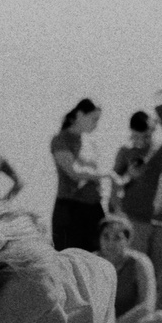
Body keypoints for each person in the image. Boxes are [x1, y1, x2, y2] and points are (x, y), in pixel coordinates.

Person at [110, 111, 162, 275]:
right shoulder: (126, 151)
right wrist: (116, 213)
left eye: (147, 135)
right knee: (134, 271)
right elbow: (115, 182)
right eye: (138, 135)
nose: (143, 140)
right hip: (135, 219)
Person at [50, 98, 121, 252]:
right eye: (93, 119)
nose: (96, 124)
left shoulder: (90, 142)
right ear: (80, 114)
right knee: (70, 258)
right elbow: (74, 172)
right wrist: (107, 175)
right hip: (70, 210)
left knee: (97, 257)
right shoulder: (60, 140)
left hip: (94, 209)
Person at [96, 215, 162, 323]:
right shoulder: (92, 261)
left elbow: (147, 306)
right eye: (106, 236)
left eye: (117, 238)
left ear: (128, 240)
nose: (110, 243)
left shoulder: (140, 262)